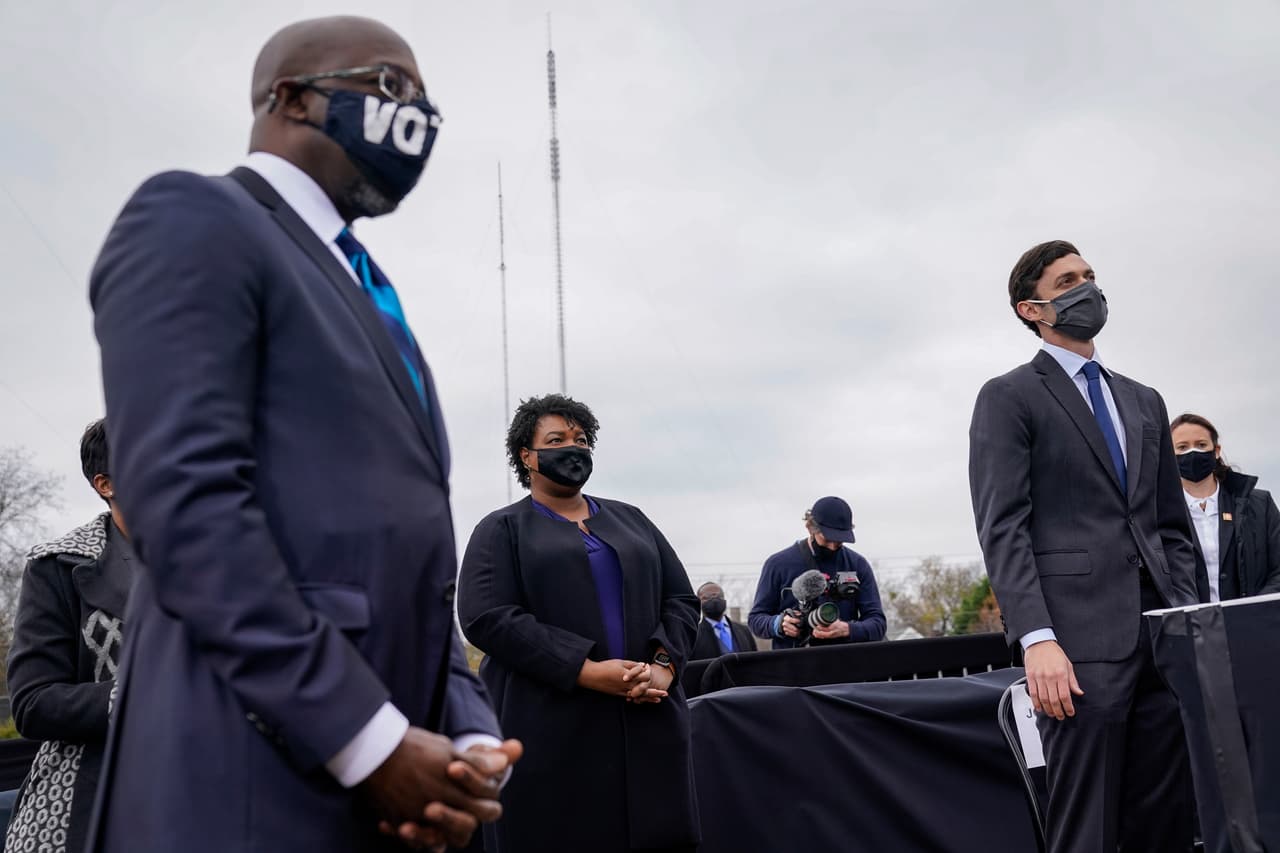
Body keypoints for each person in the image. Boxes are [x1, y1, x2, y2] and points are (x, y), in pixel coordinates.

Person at [87, 17, 520, 852]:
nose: (417, 115)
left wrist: (464, 731)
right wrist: (369, 736)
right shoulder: (195, 217)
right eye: (392, 87)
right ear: (289, 97)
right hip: (248, 782)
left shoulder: (366, 284)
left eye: (428, 99)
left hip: (400, 791)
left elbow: (409, 568)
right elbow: (186, 505)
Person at [969, 239, 1198, 853]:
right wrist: (1037, 638)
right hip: (1076, 647)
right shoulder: (1009, 396)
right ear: (1032, 309)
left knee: (1169, 820)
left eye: (1090, 275)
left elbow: (1169, 526)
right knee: (1087, 827)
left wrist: (1186, 614)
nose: (1086, 288)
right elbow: (1003, 526)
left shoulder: (1143, 399)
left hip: (1162, 638)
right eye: (1068, 280)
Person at [458, 394, 701, 853]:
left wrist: (662, 667)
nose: (573, 447)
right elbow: (487, 617)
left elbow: (682, 600)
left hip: (647, 714)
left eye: (582, 439)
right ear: (526, 456)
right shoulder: (501, 529)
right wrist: (585, 670)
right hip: (550, 727)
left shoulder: (633, 521)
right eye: (556, 439)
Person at [4, 420, 135, 853]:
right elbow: (32, 703)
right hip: (91, 799)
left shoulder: (223, 562)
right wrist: (140, 696)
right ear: (106, 483)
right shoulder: (56, 566)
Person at [747, 496, 886, 648]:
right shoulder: (778, 564)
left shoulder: (858, 564)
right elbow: (756, 620)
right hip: (793, 666)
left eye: (839, 540)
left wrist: (847, 629)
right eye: (827, 539)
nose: (833, 546)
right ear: (810, 527)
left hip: (845, 664)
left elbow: (878, 624)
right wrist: (779, 624)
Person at [1171, 412, 1280, 602]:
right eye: (1182, 447)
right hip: (1191, 626)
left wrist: (1253, 610)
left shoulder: (1260, 504)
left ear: (1216, 450)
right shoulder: (1158, 513)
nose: (1193, 452)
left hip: (1254, 623)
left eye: (1201, 445)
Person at [691, 582, 758, 659]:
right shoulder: (694, 636)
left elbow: (755, 660)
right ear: (699, 602)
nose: (714, 599)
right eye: (706, 597)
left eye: (718, 596)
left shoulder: (744, 631)